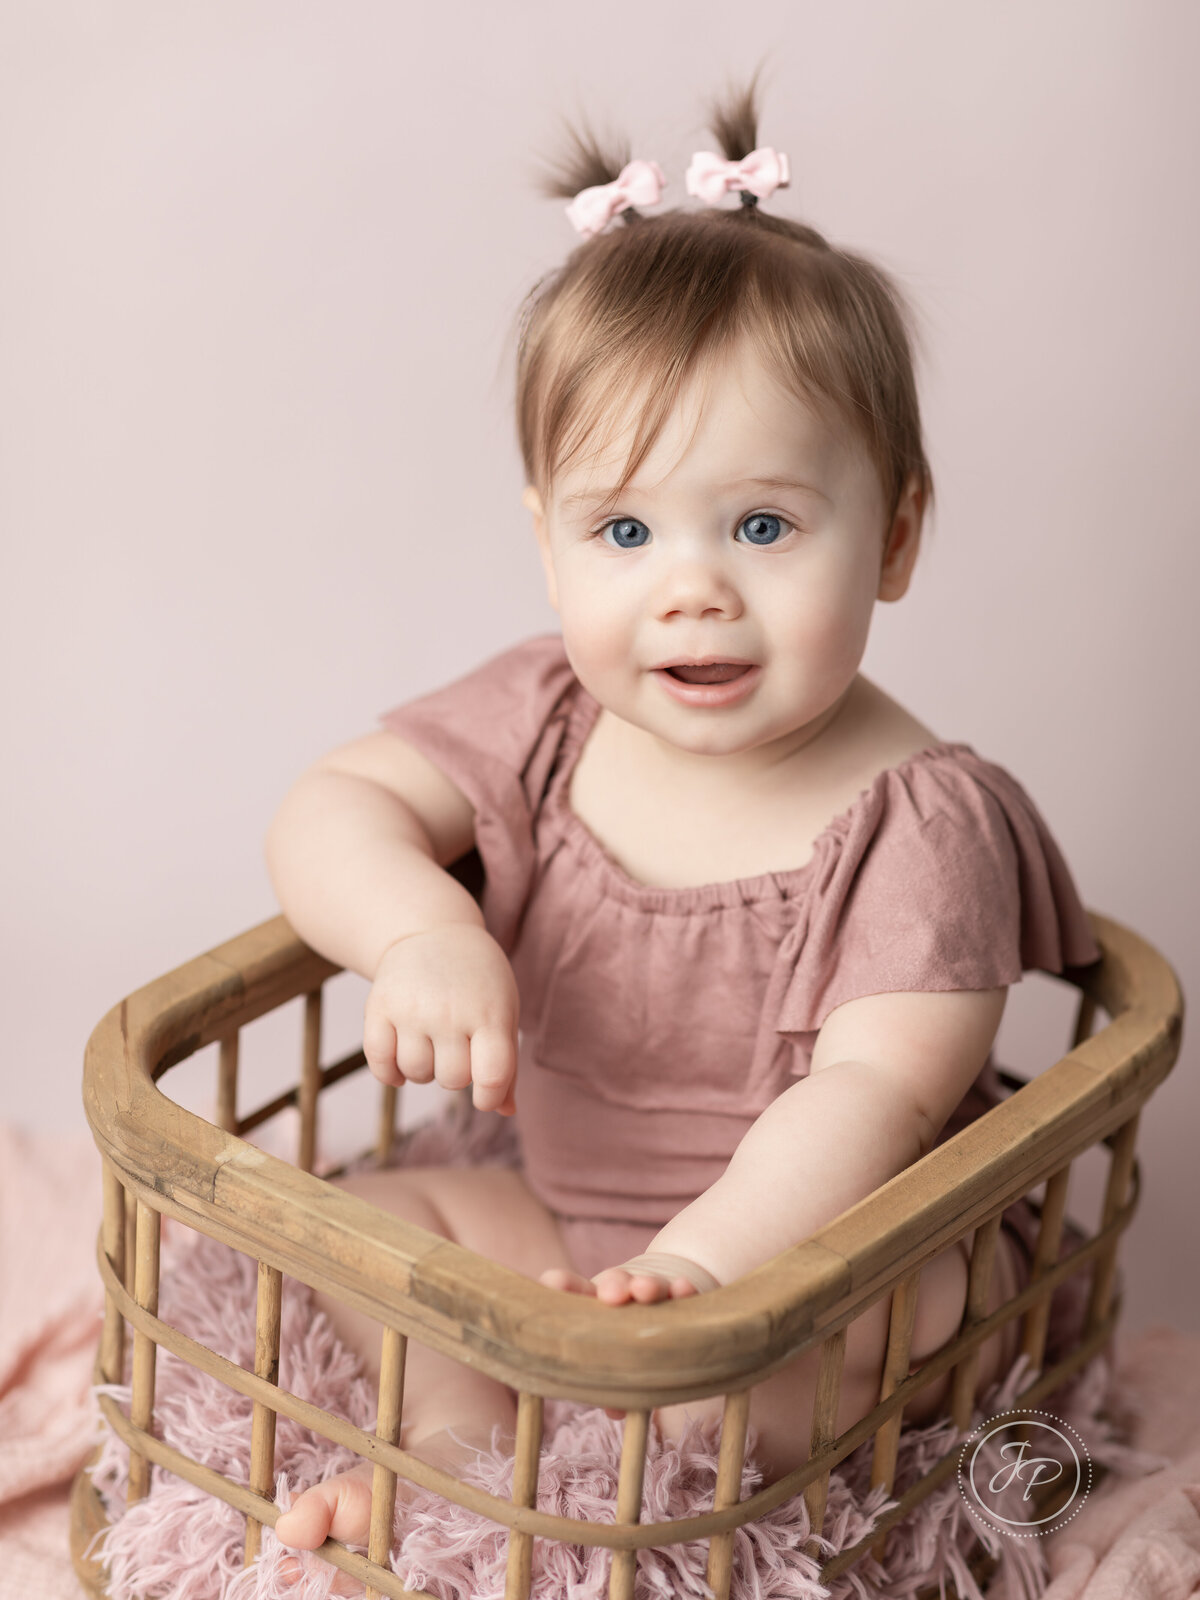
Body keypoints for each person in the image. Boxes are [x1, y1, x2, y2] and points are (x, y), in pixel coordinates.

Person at [266, 75, 1101, 1555]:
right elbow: (334, 802)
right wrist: (421, 930)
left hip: (817, 1272)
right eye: (627, 531)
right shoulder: (543, 715)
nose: (692, 585)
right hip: (580, 1231)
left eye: (765, 526)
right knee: (371, 1216)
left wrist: (706, 1268)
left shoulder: (921, 821)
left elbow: (872, 1099)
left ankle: (617, 1445)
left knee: (916, 1318)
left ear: (896, 535)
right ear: (547, 540)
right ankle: (466, 1434)